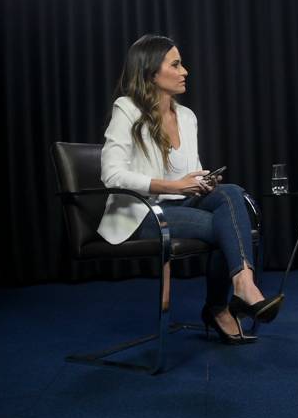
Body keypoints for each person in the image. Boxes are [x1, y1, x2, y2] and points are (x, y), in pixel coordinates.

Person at [97, 34, 282, 344]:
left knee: (231, 193)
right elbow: (111, 175)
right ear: (151, 72)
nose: (185, 71)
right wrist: (172, 185)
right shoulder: (126, 109)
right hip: (141, 214)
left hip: (178, 205)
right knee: (228, 227)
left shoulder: (186, 116)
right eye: (176, 64)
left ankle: (243, 285)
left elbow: (189, 174)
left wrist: (203, 181)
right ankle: (222, 304)